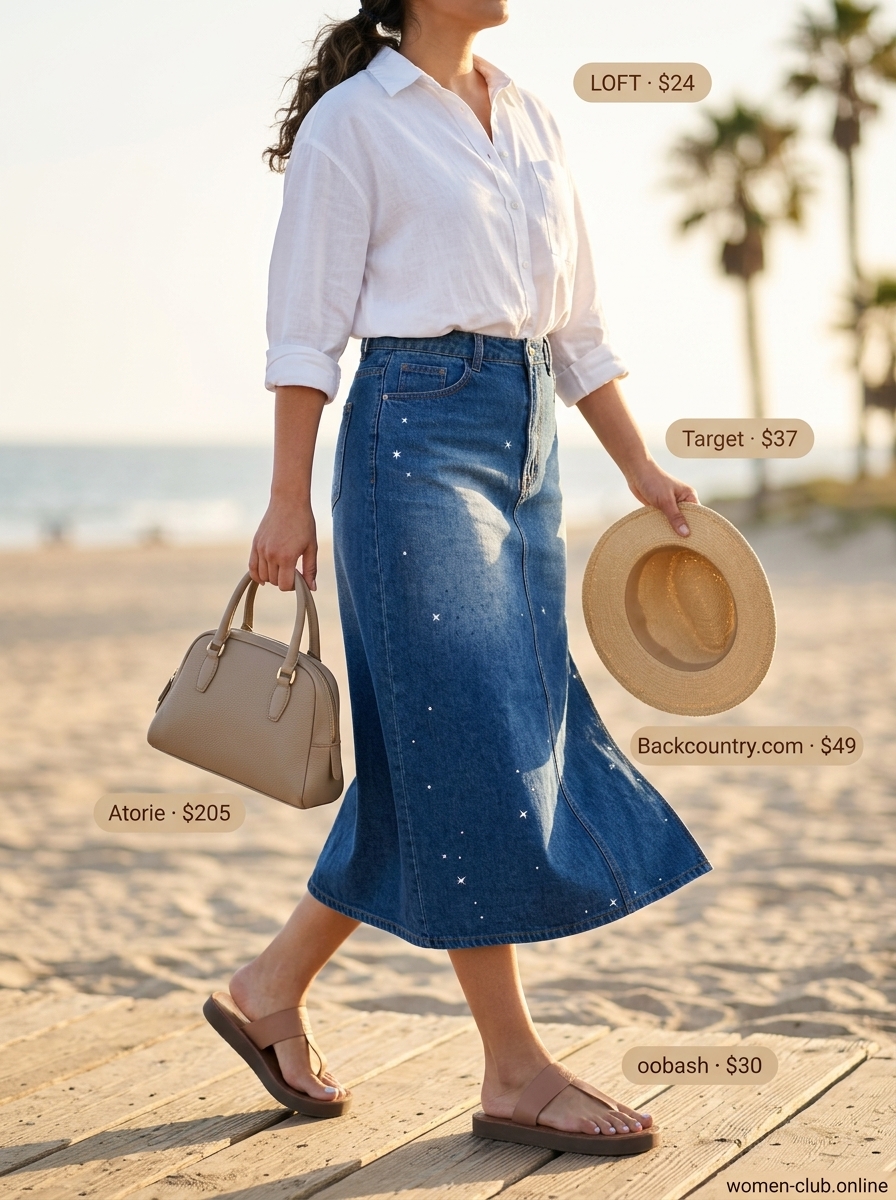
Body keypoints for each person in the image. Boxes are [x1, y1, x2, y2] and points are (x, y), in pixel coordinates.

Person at [207, 0, 711, 1155]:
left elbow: (576, 324)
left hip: (528, 441)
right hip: (410, 440)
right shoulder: (354, 124)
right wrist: (287, 499)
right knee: (473, 739)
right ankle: (514, 1071)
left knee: (445, 743)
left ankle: (270, 985)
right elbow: (303, 334)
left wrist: (636, 465)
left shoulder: (529, 114)